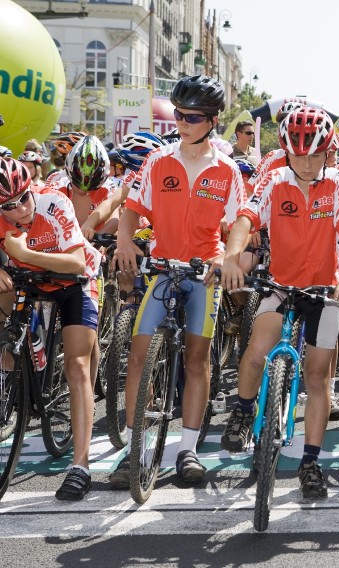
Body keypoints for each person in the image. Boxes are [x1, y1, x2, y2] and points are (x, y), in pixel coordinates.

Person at [219, 106, 339, 500]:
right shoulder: (273, 179)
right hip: (281, 284)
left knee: (318, 378)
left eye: (315, 154)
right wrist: (232, 259)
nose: (306, 162)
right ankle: (244, 411)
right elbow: (245, 220)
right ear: (284, 151)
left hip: (325, 290)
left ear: (328, 152)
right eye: (297, 154)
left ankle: (311, 463)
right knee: (255, 352)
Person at [110, 75, 245, 487]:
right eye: (178, 114)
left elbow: (240, 220)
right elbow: (133, 208)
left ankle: (188, 449)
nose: (181, 122)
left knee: (196, 360)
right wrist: (125, 240)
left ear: (212, 121)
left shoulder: (227, 170)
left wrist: (230, 257)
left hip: (204, 272)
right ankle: (131, 451)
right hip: (163, 268)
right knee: (138, 355)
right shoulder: (158, 160)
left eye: (192, 117)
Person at [0, 155, 102, 501]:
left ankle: (80, 466)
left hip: (75, 281)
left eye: (23, 198)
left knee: (77, 367)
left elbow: (77, 261)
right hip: (29, 280)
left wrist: (24, 252)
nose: (20, 209)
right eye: (8, 205)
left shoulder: (53, 200)